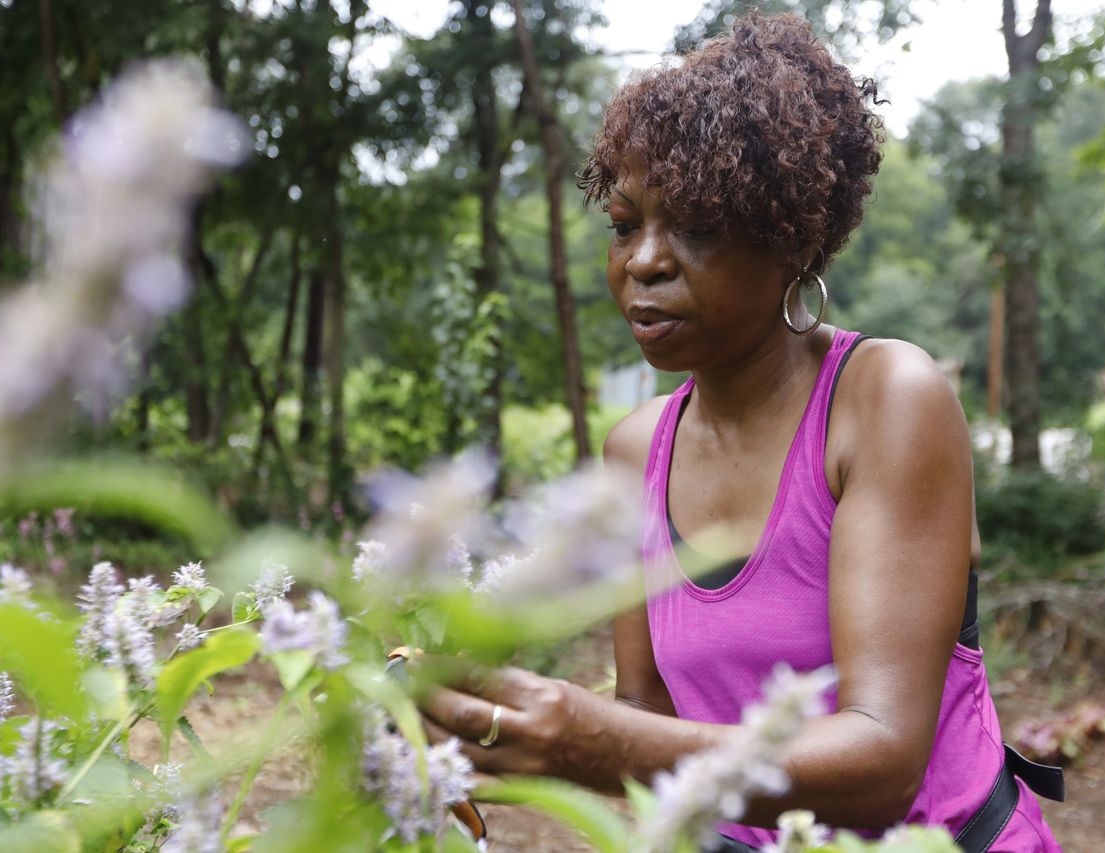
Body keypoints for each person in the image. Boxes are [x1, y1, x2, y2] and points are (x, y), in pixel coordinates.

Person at [418, 10, 1062, 851]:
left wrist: (585, 738)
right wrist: (482, 728)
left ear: (790, 240)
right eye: (624, 225)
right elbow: (650, 723)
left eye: (697, 226)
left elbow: (883, 759)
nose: (644, 260)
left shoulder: (884, 400)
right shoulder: (632, 450)